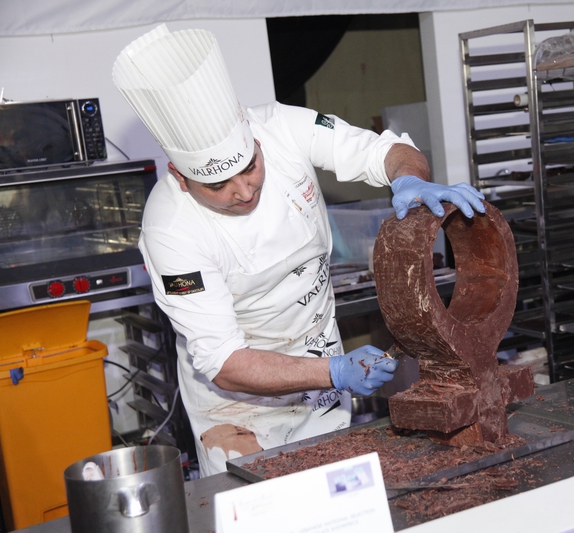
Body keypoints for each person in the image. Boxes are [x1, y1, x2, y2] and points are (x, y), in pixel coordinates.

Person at [113, 24, 486, 476]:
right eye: (217, 184)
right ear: (179, 174)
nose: (244, 190)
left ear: (252, 136)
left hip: (320, 378)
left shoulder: (281, 127)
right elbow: (226, 362)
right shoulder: (171, 229)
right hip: (240, 415)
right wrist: (336, 371)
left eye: (250, 167)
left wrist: (410, 176)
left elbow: (382, 153)